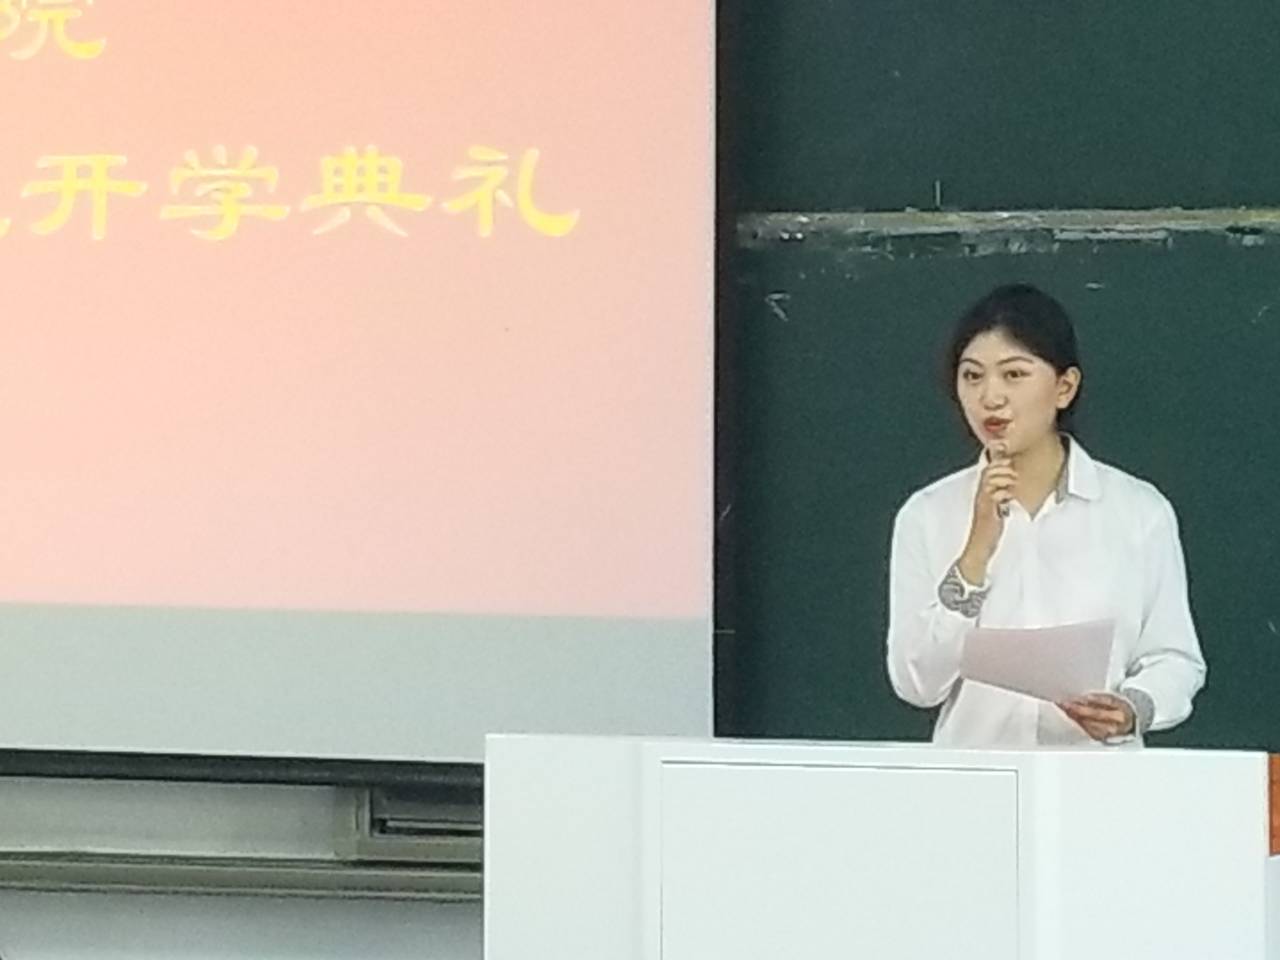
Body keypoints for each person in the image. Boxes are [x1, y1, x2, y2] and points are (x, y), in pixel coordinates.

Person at [885, 283, 1206, 747]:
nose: (990, 397)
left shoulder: (1137, 510)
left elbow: (1175, 658)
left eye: (1014, 375)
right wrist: (975, 553)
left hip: (1097, 777)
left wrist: (1133, 708)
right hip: (978, 777)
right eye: (972, 376)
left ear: (1064, 387)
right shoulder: (928, 514)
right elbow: (916, 684)